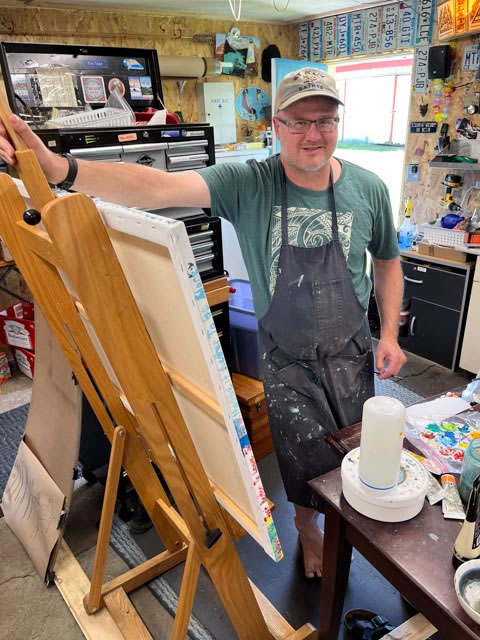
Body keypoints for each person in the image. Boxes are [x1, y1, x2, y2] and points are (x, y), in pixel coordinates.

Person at [0, 67, 406, 578]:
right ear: (276, 125)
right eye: (298, 122)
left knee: (358, 450)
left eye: (324, 120)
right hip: (287, 361)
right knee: (301, 463)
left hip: (351, 354)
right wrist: (60, 168)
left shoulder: (369, 189)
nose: (313, 134)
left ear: (338, 124)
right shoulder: (249, 183)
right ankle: (308, 530)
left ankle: (354, 528)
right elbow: (153, 185)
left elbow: (388, 261)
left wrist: (388, 333)